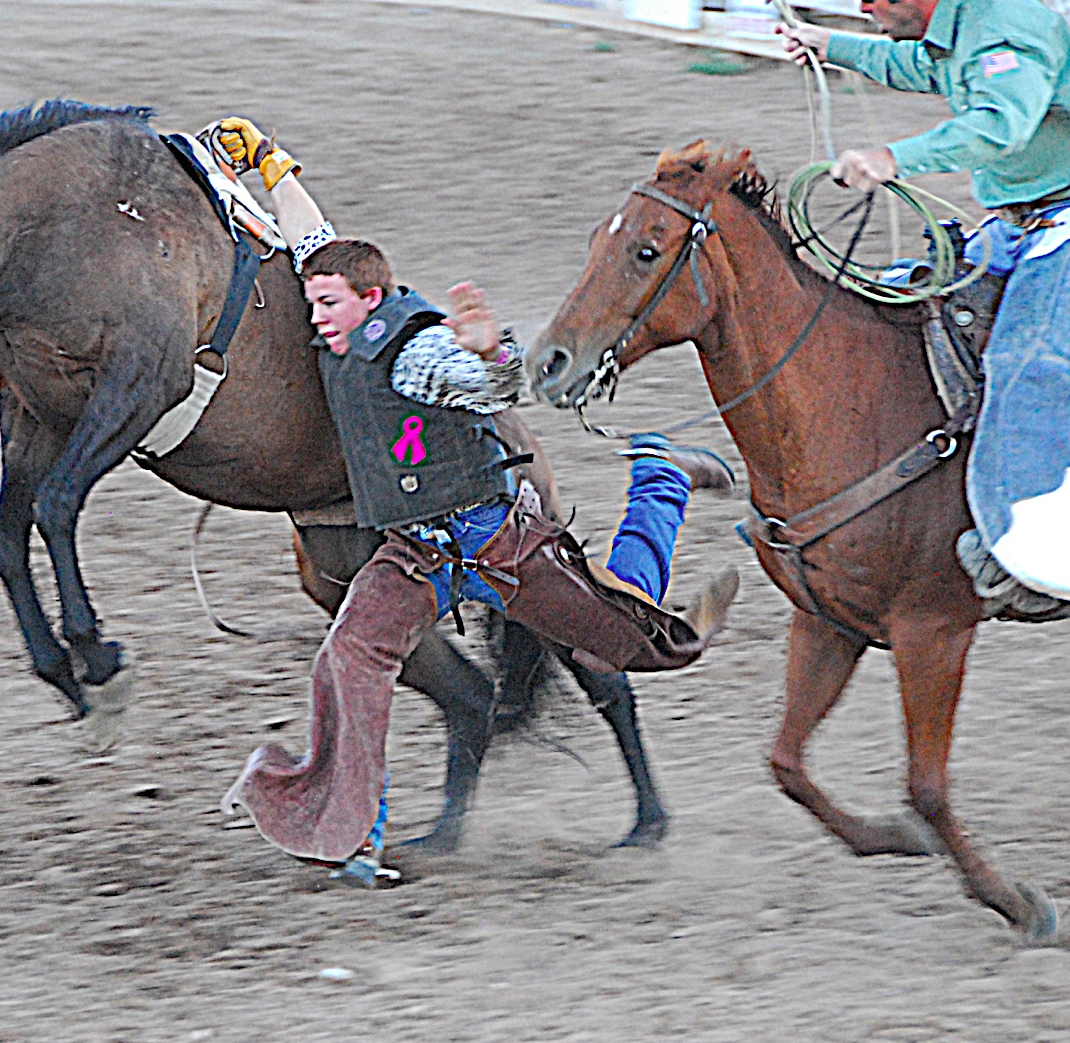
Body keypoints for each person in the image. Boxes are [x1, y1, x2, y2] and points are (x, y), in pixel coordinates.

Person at [210, 117, 738, 885]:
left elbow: (496, 386)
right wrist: (267, 162)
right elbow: (309, 238)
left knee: (631, 641)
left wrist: (490, 347)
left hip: (496, 539)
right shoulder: (341, 303)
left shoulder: (420, 351)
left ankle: (660, 476)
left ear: (371, 298)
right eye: (315, 302)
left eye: (326, 304)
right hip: (418, 552)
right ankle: (353, 834)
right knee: (349, 657)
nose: (314, 317)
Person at [780, 0, 1070, 609]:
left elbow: (998, 124)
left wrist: (892, 158)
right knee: (902, 300)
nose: (862, 6)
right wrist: (830, 44)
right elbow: (919, 67)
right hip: (1017, 223)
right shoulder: (964, 28)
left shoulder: (1007, 24)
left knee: (1038, 359)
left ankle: (1056, 552)